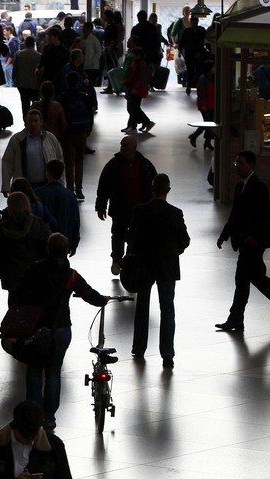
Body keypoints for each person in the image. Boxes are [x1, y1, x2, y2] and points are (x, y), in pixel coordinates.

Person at [14, 234, 109, 429]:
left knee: (33, 371)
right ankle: (49, 417)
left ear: (48, 249)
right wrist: (103, 300)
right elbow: (90, 295)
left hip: (35, 329)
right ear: (67, 251)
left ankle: (32, 417)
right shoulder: (71, 275)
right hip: (61, 329)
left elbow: (19, 294)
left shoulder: (34, 269)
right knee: (54, 372)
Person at [127, 174, 190, 367]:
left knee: (142, 307)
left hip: (145, 264)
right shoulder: (175, 213)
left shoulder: (139, 211)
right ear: (168, 190)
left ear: (151, 189)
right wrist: (173, 252)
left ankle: (139, 348)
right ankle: (167, 353)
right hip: (167, 266)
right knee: (167, 308)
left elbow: (132, 238)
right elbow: (185, 240)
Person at [215, 150, 270, 332]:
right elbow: (235, 214)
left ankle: (235, 319)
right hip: (245, 242)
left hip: (253, 243)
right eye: (236, 163)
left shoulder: (259, 186)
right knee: (245, 280)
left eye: (241, 163)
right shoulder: (240, 186)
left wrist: (253, 238)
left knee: (252, 279)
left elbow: (263, 217)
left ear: (251, 165)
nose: (237, 166)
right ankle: (236, 319)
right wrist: (225, 234)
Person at [95, 135, 157, 275]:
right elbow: (104, 187)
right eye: (121, 144)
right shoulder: (113, 165)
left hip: (139, 212)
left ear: (134, 148)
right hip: (120, 210)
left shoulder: (145, 165)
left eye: (125, 145)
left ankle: (130, 261)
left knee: (135, 238)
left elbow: (153, 187)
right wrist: (101, 206)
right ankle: (116, 259)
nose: (122, 147)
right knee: (117, 235)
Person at [0, 192, 51, 305]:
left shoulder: (4, 228)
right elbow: (45, 249)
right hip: (34, 275)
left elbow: (0, 254)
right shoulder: (38, 223)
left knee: (14, 308)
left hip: (13, 275)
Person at [1, 109, 64, 196]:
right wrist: (6, 186)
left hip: (47, 184)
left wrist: (60, 183)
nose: (33, 124)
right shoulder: (16, 140)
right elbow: (7, 163)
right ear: (26, 122)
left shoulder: (50, 138)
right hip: (25, 186)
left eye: (35, 121)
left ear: (41, 122)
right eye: (30, 121)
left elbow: (59, 161)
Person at [55, 71, 93, 199]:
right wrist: (87, 131)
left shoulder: (62, 98)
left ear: (66, 82)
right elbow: (90, 115)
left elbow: (60, 118)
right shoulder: (84, 96)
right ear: (78, 82)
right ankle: (79, 189)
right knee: (80, 161)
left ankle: (70, 189)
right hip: (81, 132)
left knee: (69, 162)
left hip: (67, 134)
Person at [35, 159, 81, 253]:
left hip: (43, 241)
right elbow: (75, 220)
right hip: (64, 241)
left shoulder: (38, 193)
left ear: (47, 173)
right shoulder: (70, 195)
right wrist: (74, 242)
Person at [122, 48, 154, 134]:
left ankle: (134, 126)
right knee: (133, 108)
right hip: (133, 88)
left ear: (138, 56)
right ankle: (143, 123)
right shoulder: (136, 63)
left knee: (133, 108)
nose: (132, 56)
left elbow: (141, 79)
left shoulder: (141, 64)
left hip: (137, 90)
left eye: (134, 55)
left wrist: (136, 88)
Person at [12, 36, 42, 119]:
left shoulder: (19, 54)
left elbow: (15, 68)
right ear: (34, 44)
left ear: (25, 44)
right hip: (35, 83)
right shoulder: (39, 55)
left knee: (25, 104)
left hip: (22, 83)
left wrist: (14, 79)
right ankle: (36, 120)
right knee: (36, 104)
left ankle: (26, 120)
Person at [189, 60, 215, 150]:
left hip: (212, 104)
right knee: (207, 123)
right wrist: (202, 104)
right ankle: (194, 136)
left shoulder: (212, 78)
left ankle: (207, 142)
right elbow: (201, 93)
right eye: (213, 67)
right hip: (205, 105)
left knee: (211, 123)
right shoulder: (203, 79)